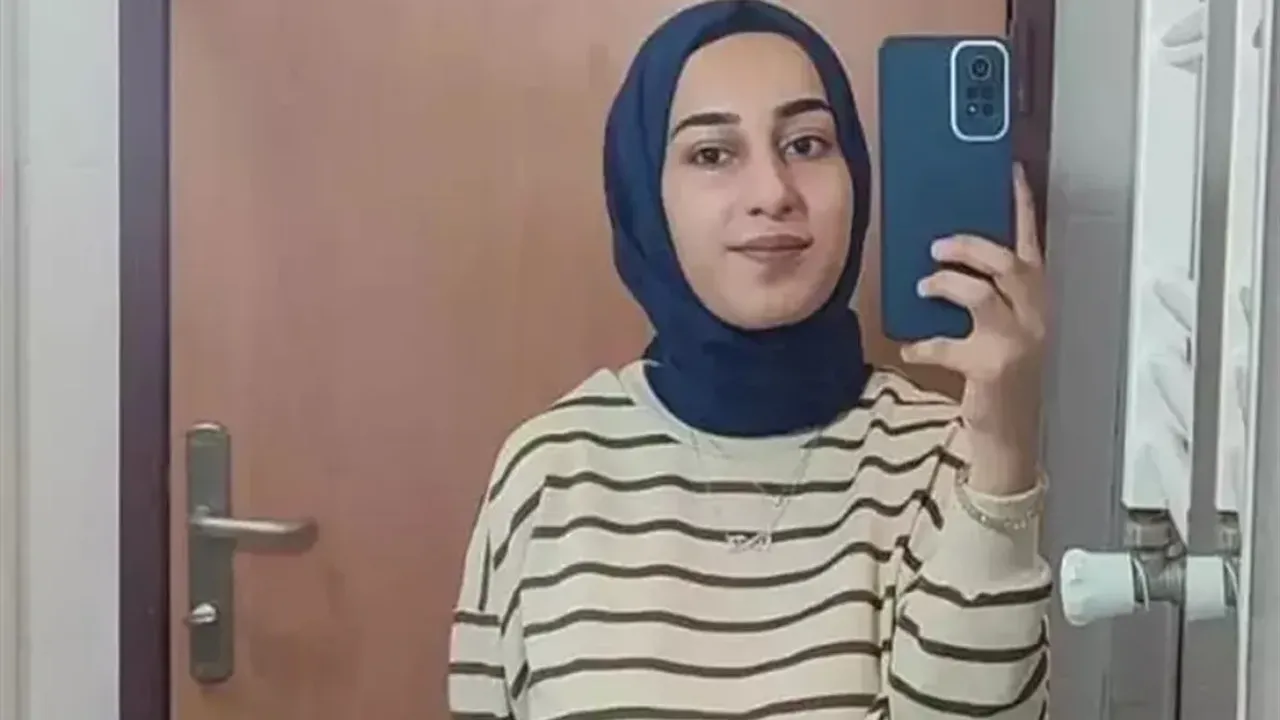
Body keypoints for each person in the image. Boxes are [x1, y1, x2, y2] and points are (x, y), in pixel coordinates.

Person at [448, 1, 1050, 717]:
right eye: (712, 154)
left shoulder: (947, 459)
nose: (772, 193)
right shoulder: (548, 473)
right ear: (647, 196)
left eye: (806, 144)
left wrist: (1004, 457)